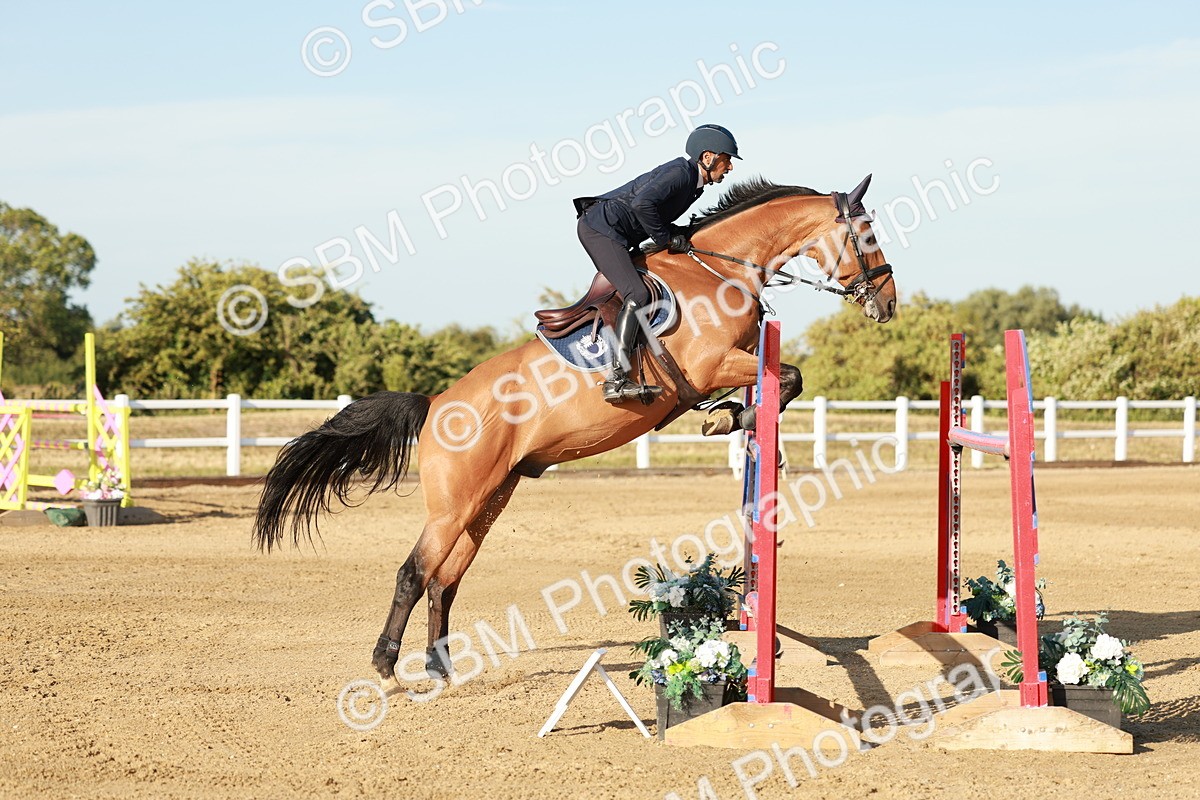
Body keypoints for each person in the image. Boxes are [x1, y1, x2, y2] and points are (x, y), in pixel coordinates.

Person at [574, 124, 740, 404]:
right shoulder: (680, 173)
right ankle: (616, 380)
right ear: (708, 157)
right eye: (727, 159)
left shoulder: (693, 184)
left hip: (620, 232)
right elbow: (642, 205)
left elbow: (652, 212)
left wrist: (675, 233)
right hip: (601, 229)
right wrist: (665, 239)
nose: (730, 167)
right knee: (636, 294)